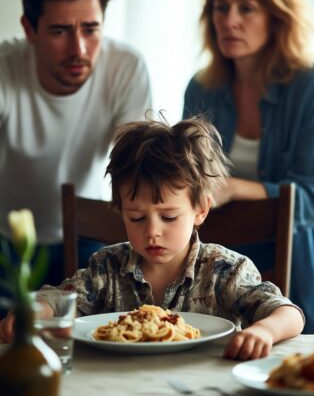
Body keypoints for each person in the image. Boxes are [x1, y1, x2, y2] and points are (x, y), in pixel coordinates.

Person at [0, 117, 304, 360]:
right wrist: (33, 312)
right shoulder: (106, 267)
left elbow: (288, 314)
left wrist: (263, 332)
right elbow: (60, 299)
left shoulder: (225, 271)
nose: (152, 231)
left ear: (200, 210)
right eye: (136, 217)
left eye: (169, 217)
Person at [0, 0, 151, 295]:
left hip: (88, 231)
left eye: (90, 29)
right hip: (7, 237)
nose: (79, 49)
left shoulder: (124, 66)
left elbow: (136, 162)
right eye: (60, 31)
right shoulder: (5, 68)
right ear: (29, 29)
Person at [182, 0, 314, 332]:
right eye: (220, 8)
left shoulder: (308, 89)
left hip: (292, 259)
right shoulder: (200, 87)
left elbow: (309, 198)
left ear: (277, 16)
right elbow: (187, 177)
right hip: (216, 261)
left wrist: (235, 188)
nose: (229, 21)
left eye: (246, 8)